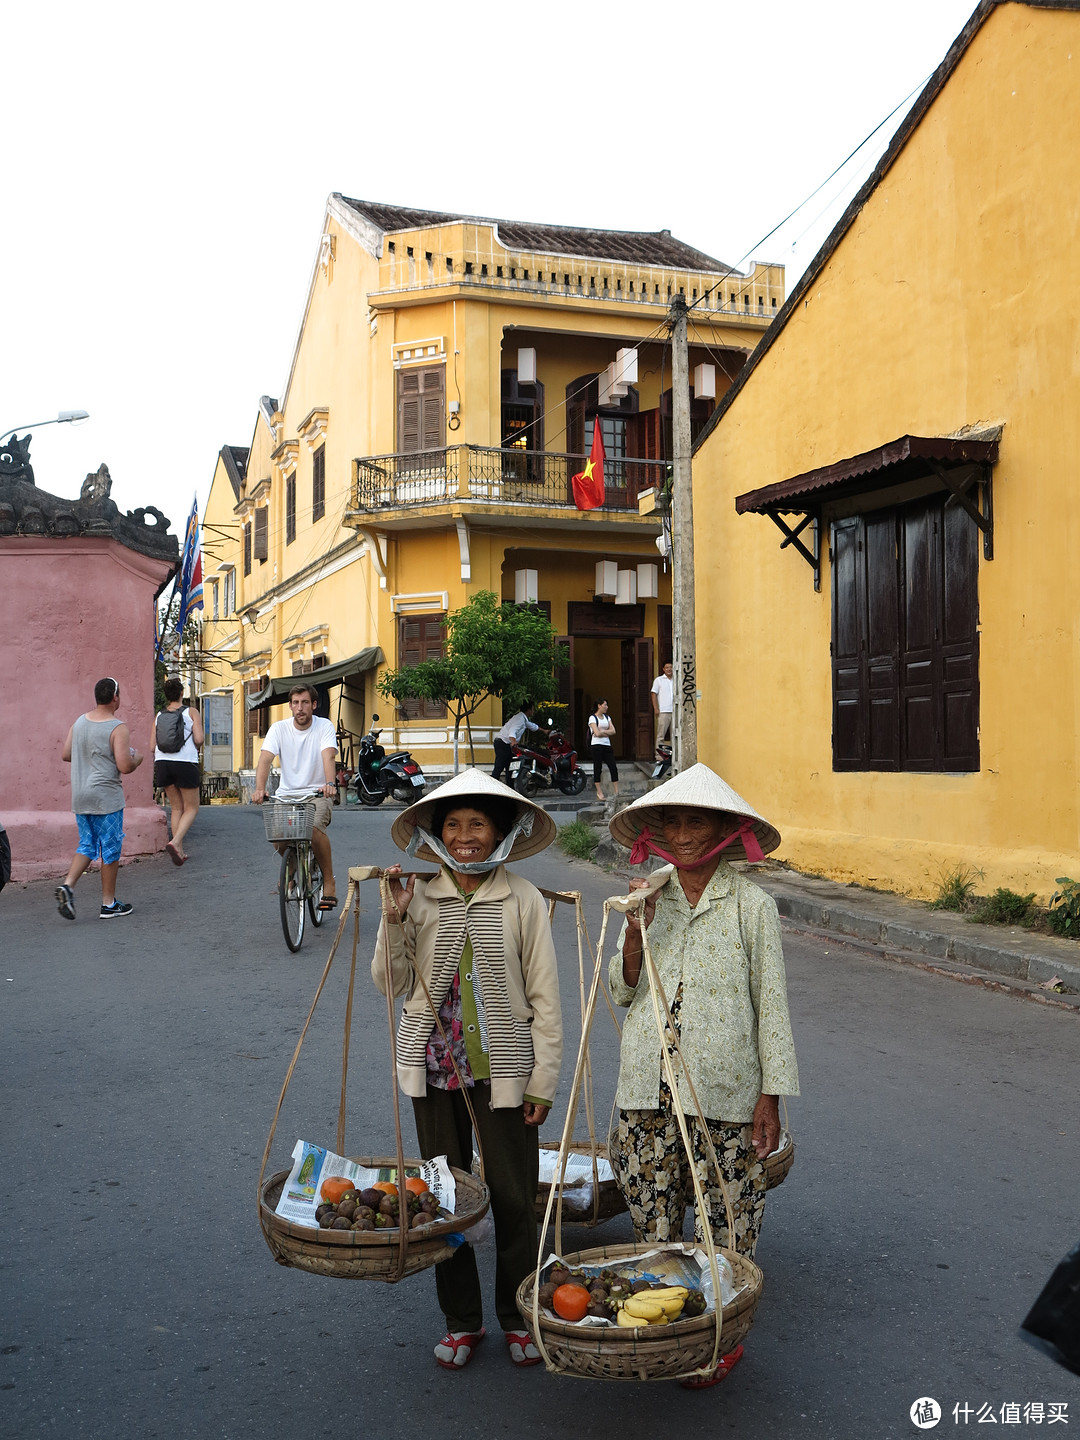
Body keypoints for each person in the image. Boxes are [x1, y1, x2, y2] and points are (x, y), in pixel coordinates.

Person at [606, 763, 799, 1389]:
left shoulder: (752, 906)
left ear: (722, 832)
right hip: (646, 1088)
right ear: (657, 834)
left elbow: (771, 1004)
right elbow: (623, 990)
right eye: (673, 823)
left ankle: (719, 1336)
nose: (684, 834)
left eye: (697, 822)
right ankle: (665, 1327)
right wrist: (635, 935)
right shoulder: (646, 897)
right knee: (654, 1216)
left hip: (725, 1091)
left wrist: (770, 1096)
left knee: (727, 1219)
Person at [373, 769, 562, 1372]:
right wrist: (395, 920)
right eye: (452, 825)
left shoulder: (523, 898)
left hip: (504, 1067)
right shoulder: (419, 896)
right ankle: (461, 1321)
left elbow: (546, 1000)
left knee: (511, 1196)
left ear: (500, 832)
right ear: (436, 833)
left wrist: (543, 1081)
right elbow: (392, 983)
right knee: (443, 1199)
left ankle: (517, 1315)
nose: (464, 837)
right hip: (431, 1069)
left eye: (477, 824)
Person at [56, 677, 143, 920]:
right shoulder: (118, 727)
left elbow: (65, 754)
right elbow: (125, 766)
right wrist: (138, 758)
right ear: (115, 697)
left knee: (87, 843)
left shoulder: (79, 722)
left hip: (81, 795)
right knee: (111, 847)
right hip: (107, 798)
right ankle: (109, 903)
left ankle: (68, 885)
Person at [253, 683, 338, 909]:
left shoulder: (324, 726)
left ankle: (329, 882)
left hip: (317, 793)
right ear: (290, 706)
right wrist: (259, 788)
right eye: (296, 703)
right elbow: (264, 760)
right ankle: (291, 865)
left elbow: (328, 756)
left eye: (305, 703)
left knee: (314, 829)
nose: (300, 708)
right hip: (286, 795)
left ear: (314, 705)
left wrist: (330, 783)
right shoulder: (279, 729)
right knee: (278, 835)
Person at [154, 677, 204, 865]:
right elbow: (198, 739)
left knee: (176, 807)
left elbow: (153, 744)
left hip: (163, 763)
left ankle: (180, 850)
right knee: (191, 808)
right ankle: (175, 842)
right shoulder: (191, 712)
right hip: (185, 762)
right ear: (182, 693)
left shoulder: (159, 716)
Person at [491, 700, 540, 784]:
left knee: (510, 767)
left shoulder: (522, 718)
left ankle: (510, 788)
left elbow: (532, 726)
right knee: (500, 766)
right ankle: (492, 785)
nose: (533, 711)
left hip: (505, 744)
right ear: (528, 710)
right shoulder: (520, 719)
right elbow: (512, 731)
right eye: (532, 709)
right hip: (503, 743)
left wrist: (545, 731)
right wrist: (513, 742)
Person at [588, 697, 619, 804]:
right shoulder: (592, 718)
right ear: (599, 706)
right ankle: (599, 792)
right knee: (598, 767)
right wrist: (606, 731)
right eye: (605, 705)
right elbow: (596, 733)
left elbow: (613, 731)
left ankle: (616, 791)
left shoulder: (607, 717)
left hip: (607, 745)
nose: (606, 707)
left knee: (613, 767)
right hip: (596, 745)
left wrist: (603, 731)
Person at [651, 661, 674, 744]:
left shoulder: (676, 679)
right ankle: (659, 756)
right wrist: (656, 708)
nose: (669, 669)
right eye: (667, 667)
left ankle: (675, 755)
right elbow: (653, 694)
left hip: (675, 711)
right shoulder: (658, 680)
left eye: (671, 667)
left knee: (675, 735)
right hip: (664, 711)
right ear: (663, 669)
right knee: (661, 735)